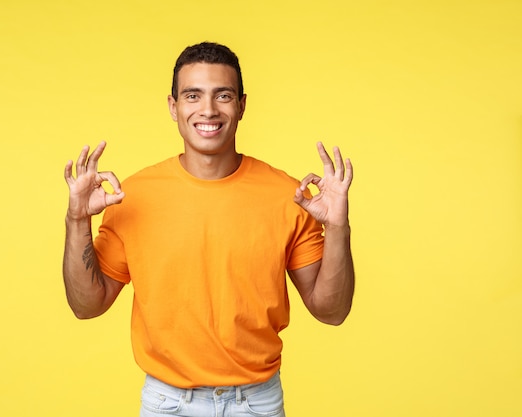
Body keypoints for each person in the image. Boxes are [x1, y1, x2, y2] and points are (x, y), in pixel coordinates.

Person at [63, 42, 354, 417]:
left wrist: (337, 226)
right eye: (193, 95)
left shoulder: (289, 196)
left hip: (256, 403)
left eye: (223, 95)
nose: (208, 110)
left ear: (242, 105)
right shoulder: (131, 196)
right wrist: (76, 220)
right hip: (167, 403)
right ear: (173, 107)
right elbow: (87, 306)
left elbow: (332, 311)